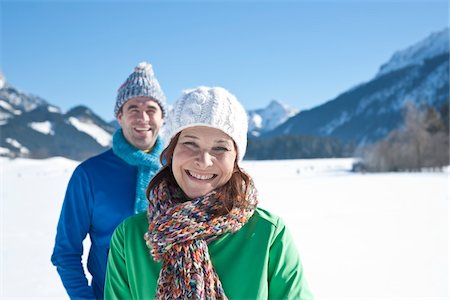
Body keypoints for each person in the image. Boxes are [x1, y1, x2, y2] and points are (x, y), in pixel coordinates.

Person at [104, 86, 314, 299]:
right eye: (190, 144)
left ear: (235, 160)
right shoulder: (130, 237)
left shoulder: (268, 234)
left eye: (220, 148)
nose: (203, 161)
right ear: (171, 151)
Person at [51, 61, 167, 299]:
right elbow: (65, 253)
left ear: (162, 117)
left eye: (151, 109)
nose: (142, 118)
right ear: (119, 116)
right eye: (133, 108)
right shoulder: (89, 175)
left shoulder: (179, 172)